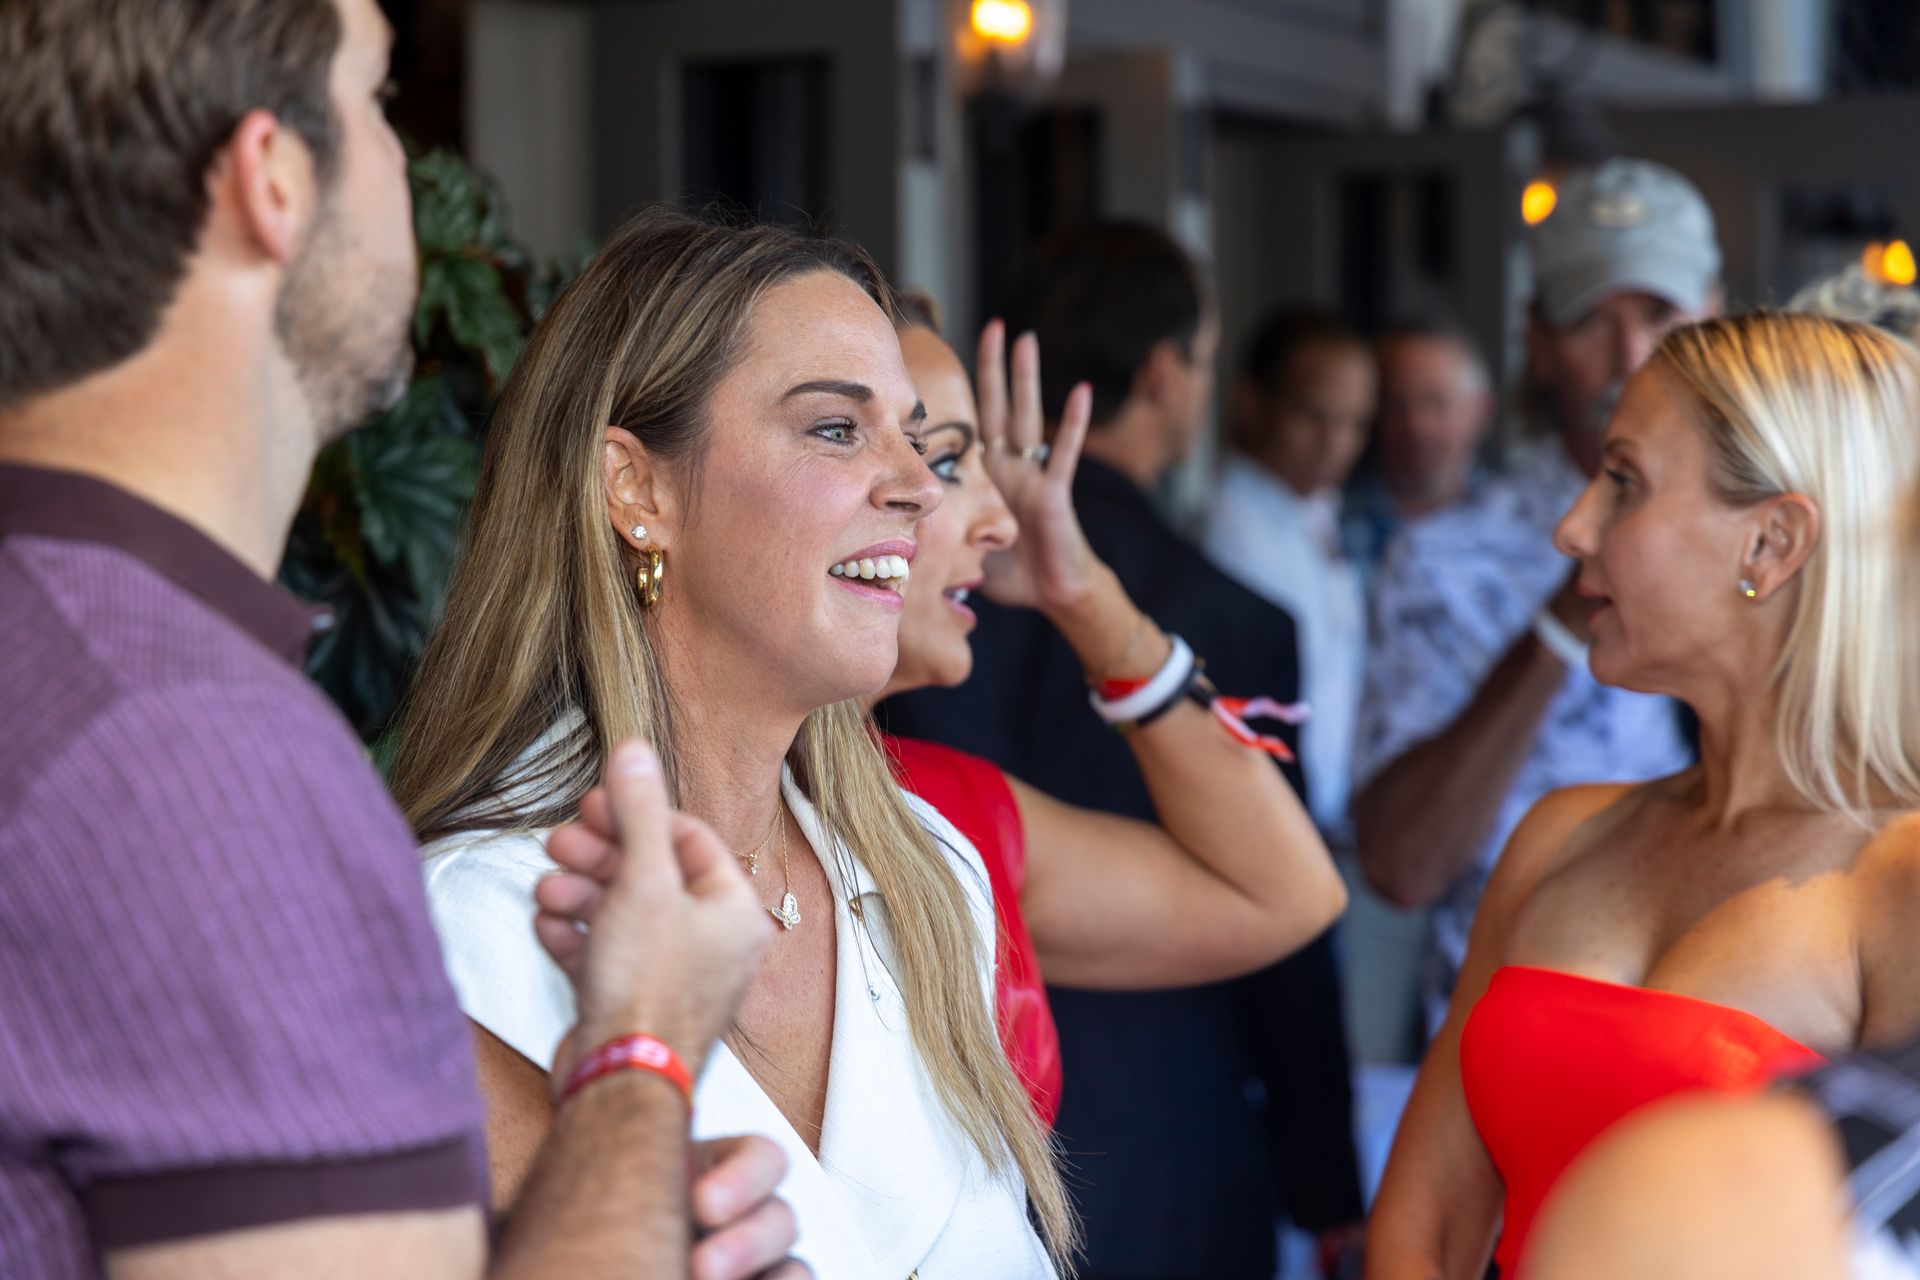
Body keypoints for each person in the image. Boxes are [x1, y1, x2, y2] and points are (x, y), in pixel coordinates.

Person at [0, 2, 797, 1277]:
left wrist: (600, 1211)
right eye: (377, 103)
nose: (409, 164)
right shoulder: (187, 752)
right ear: (270, 178)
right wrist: (642, 1052)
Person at [391, 208, 1071, 1280]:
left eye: (914, 435)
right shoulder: (468, 931)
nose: (919, 484)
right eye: (837, 429)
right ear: (638, 489)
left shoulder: (936, 877)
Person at [1366, 312, 1920, 1280]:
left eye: (1623, 481)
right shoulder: (1560, 835)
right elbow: (1426, 1231)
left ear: (1772, 542)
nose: (1571, 526)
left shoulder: (1900, 883)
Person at [882, 222, 1367, 1280]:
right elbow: (1292, 966)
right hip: (1161, 1143)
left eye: (954, 458)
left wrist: (1088, 598)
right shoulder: (1236, 613)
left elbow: (1289, 898)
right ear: (1163, 371)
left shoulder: (955, 800)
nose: (988, 524)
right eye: (943, 460)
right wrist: (1327, 1182)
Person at [1352, 158, 1717, 1029]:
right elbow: (1401, 865)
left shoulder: (1782, 541)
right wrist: (1564, 616)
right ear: (1539, 342)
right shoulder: (1443, 559)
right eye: (1592, 320)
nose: (1632, 358)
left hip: (1730, 1042)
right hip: (1503, 1052)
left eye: (1659, 316)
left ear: (1714, 318)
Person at [1203, 307, 1377, 836]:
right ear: (1252, 402)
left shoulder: (1318, 512)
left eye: (1356, 424)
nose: (1336, 443)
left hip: (1323, 818)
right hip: (1266, 823)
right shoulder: (1227, 535)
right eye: (1314, 415)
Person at [1343, 316, 1496, 578]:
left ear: (1481, 411)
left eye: (1436, 403)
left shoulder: (1519, 524)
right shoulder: (1328, 522)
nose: (1415, 426)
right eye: (1395, 404)